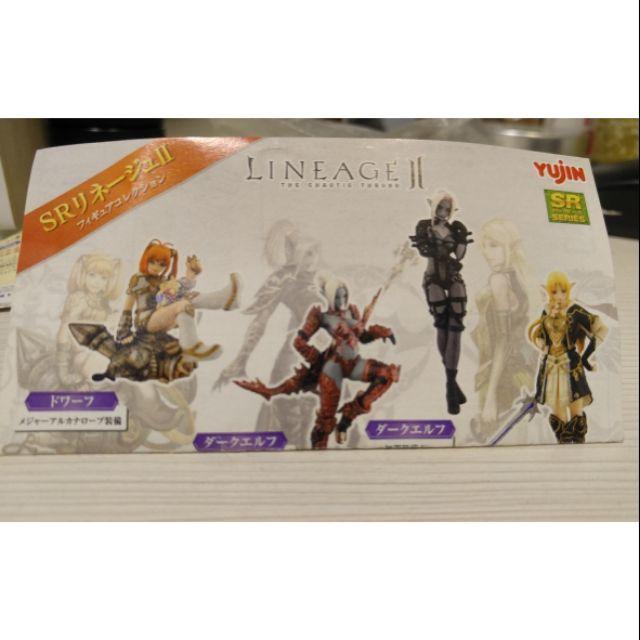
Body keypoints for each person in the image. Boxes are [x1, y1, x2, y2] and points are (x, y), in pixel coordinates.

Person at [236, 274, 400, 449]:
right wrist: (318, 360)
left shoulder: (352, 311)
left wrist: (381, 332)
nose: (342, 300)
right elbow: (299, 342)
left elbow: (363, 337)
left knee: (385, 375)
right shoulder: (321, 316)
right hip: (333, 368)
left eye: (344, 295)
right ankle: (318, 449)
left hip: (354, 363)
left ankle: (346, 420)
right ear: (329, 297)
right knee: (325, 421)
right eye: (338, 296)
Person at [116, 240, 241, 362]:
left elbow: (177, 289)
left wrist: (191, 274)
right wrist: (123, 332)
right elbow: (127, 307)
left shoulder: (163, 280)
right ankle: (191, 347)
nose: (156, 267)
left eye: (161, 264)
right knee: (183, 304)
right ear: (146, 260)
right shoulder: (138, 279)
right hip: (146, 321)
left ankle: (226, 299)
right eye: (152, 262)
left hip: (162, 315)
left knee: (189, 298)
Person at [470, 219, 536, 442]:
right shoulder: (520, 277)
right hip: (523, 368)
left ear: (509, 246)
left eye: (494, 245)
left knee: (492, 437)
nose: (486, 253)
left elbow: (503, 340)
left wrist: (490, 397)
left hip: (503, 374)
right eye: (484, 246)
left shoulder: (499, 280)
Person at [528, 271, 608, 443]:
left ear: (568, 290)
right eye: (554, 292)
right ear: (548, 292)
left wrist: (586, 357)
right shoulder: (546, 310)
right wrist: (542, 345)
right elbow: (541, 335)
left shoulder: (574, 310)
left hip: (571, 365)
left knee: (576, 408)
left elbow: (600, 328)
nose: (559, 296)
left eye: (563, 291)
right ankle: (563, 442)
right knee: (558, 412)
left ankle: (578, 440)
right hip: (551, 366)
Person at [410, 191, 472, 414]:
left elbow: (460, 255)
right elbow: (425, 250)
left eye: (448, 208)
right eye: (440, 207)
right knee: (442, 324)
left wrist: (461, 239)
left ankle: (450, 384)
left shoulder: (455, 228)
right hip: (433, 278)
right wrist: (446, 252)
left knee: (455, 326)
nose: (444, 212)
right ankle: (451, 386)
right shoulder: (424, 226)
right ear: (434, 206)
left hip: (453, 278)